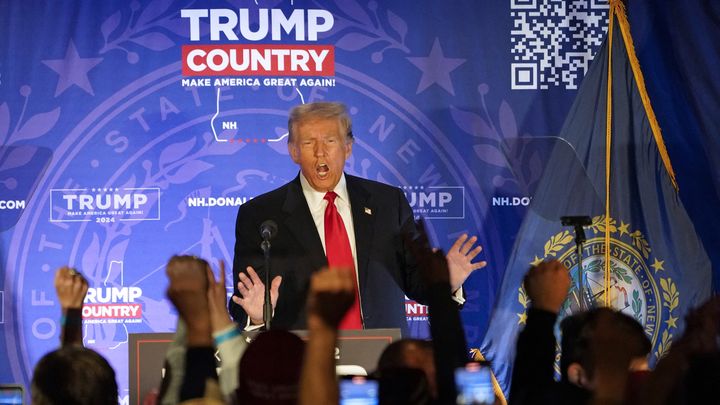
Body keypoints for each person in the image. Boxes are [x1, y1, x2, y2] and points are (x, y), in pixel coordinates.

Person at [230, 101, 486, 331]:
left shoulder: (388, 203)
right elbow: (246, 298)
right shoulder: (260, 215)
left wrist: (444, 282)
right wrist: (258, 315)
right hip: (303, 364)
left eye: (330, 140)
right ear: (294, 151)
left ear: (348, 147)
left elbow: (416, 282)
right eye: (308, 142)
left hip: (382, 360)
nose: (320, 152)